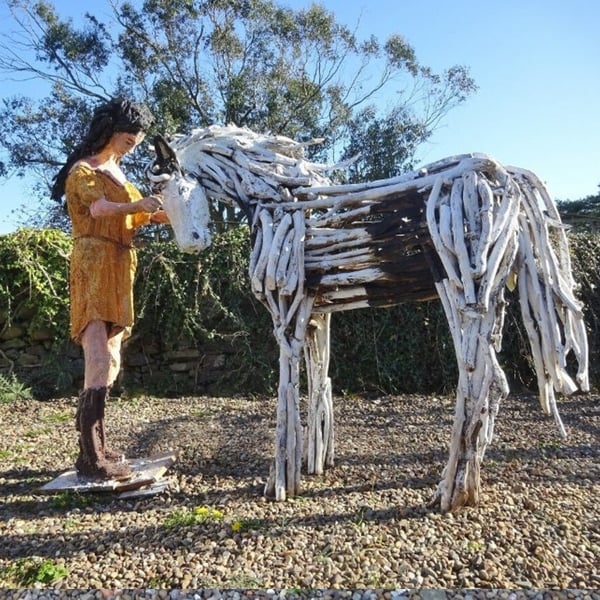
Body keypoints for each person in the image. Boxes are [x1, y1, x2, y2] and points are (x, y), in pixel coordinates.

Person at [51, 98, 169, 480]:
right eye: (129, 131)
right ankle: (90, 455)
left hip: (120, 264)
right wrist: (138, 206)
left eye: (139, 134)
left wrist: (175, 213)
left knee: (113, 359)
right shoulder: (84, 171)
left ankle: (97, 442)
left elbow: (138, 216)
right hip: (94, 262)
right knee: (98, 357)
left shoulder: (121, 176)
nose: (134, 139)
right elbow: (100, 211)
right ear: (111, 128)